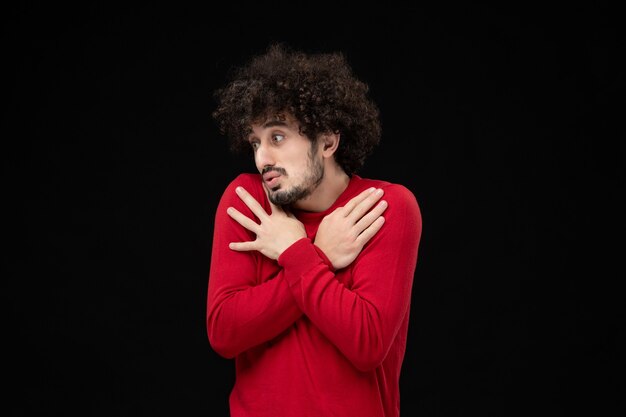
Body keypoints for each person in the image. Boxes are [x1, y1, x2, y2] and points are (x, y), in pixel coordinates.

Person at [206, 43, 422, 417]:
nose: (261, 159)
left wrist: (294, 254)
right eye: (255, 142)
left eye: (277, 137)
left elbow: (367, 343)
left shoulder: (384, 207)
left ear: (327, 141)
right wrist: (318, 255)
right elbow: (224, 332)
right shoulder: (247, 202)